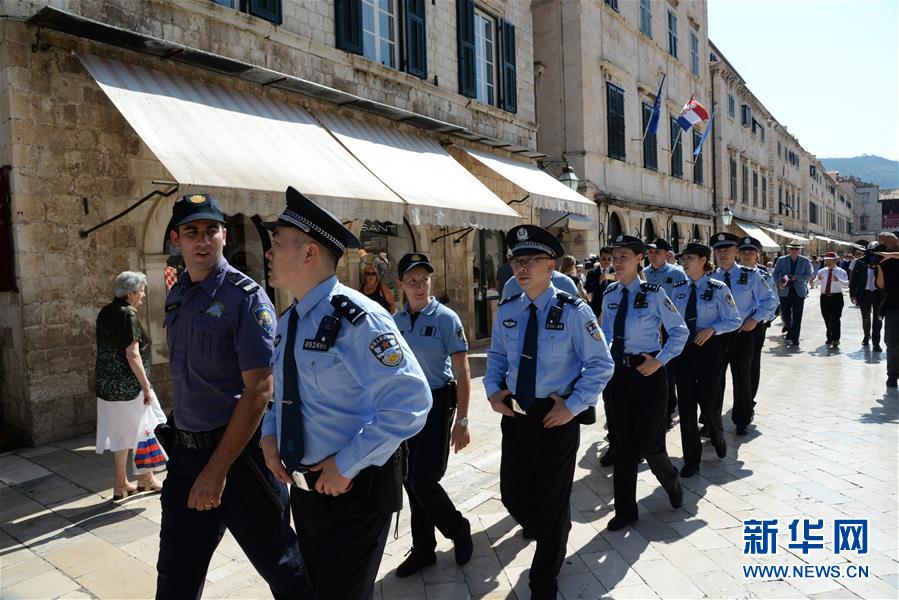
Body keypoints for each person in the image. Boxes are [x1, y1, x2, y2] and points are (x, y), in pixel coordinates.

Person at [260, 187, 431, 599]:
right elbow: (281, 393)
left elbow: (411, 402)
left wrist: (346, 464)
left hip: (353, 494)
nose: (267, 253)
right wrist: (269, 435)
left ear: (309, 253)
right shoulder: (289, 321)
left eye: (277, 243)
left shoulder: (358, 318)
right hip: (306, 496)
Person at [156, 194, 303, 599]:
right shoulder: (177, 295)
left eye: (211, 231)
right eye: (192, 232)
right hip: (186, 456)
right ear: (176, 239)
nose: (202, 241)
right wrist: (197, 465)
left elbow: (260, 386)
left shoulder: (245, 297)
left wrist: (217, 470)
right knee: (175, 574)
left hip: (238, 459)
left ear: (223, 235)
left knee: (283, 566)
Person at [484, 225, 613, 599]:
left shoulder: (574, 311)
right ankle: (553, 532)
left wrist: (572, 407)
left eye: (530, 261)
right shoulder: (509, 308)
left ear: (551, 265)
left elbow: (600, 365)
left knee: (553, 499)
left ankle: (544, 577)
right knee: (512, 493)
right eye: (516, 261)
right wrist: (493, 392)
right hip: (517, 415)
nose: (521, 268)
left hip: (556, 416)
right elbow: (495, 358)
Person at [392, 252, 474, 577]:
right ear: (400, 284)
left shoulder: (446, 319)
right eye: (411, 280)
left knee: (424, 480)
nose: (419, 285)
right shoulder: (394, 322)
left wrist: (463, 421)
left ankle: (458, 529)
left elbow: (463, 370)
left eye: (424, 278)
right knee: (411, 482)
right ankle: (424, 549)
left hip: (437, 404)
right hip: (404, 408)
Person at [600, 234, 687, 530]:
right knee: (622, 445)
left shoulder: (654, 293)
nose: (617, 262)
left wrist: (660, 360)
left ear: (639, 259)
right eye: (614, 256)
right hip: (618, 377)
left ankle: (672, 482)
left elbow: (679, 331)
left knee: (651, 446)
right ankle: (625, 510)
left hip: (648, 374)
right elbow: (604, 334)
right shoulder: (610, 294)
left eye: (624, 256)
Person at [669, 244, 742, 477]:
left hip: (708, 350)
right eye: (683, 258)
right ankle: (692, 459)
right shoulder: (677, 289)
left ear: (703, 260)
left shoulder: (718, 288)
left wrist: (712, 329)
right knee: (687, 407)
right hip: (683, 352)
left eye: (689, 258)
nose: (685, 262)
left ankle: (718, 435)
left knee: (710, 404)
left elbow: (734, 320)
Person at [94, 271, 165, 499]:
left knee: (121, 434)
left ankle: (122, 483)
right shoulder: (127, 315)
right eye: (142, 290)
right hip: (129, 386)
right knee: (150, 426)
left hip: (107, 386)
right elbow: (132, 354)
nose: (143, 295)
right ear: (131, 293)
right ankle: (145, 477)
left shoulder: (105, 312)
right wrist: (146, 386)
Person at [711, 232, 779, 436]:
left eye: (727, 250)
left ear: (735, 253)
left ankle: (741, 418)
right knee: (714, 379)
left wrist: (755, 319)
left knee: (742, 377)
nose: (723, 254)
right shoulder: (710, 278)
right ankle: (711, 419)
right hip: (717, 334)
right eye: (719, 250)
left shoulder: (751, 275)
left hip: (743, 333)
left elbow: (770, 301)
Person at [644, 238, 688, 429]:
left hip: (669, 327)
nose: (653, 256)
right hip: (650, 328)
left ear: (666, 255)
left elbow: (683, 300)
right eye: (651, 252)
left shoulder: (677, 273)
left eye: (657, 253)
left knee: (669, 369)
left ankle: (669, 408)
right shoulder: (643, 273)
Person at [738, 237, 777, 405]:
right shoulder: (727, 273)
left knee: (752, 364)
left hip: (754, 325)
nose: (747, 255)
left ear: (757, 255)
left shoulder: (763, 274)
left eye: (751, 252)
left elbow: (772, 300)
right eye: (744, 252)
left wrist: (758, 320)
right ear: (738, 254)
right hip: (728, 327)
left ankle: (749, 399)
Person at [773, 240, 814, 347]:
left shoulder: (805, 261)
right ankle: (790, 331)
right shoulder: (781, 260)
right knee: (785, 315)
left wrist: (798, 278)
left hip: (799, 292)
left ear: (800, 250)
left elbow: (809, 275)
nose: (794, 251)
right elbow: (775, 273)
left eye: (797, 249)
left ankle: (795, 338)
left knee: (797, 316)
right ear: (789, 249)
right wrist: (779, 282)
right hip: (784, 291)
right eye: (792, 248)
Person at [851, 242, 884, 351]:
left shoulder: (882, 261)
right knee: (865, 316)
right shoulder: (860, 262)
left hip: (878, 293)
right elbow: (854, 279)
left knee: (878, 319)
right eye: (870, 250)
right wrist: (852, 294)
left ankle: (876, 342)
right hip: (864, 293)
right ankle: (866, 336)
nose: (872, 253)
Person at [816, 252, 850, 348]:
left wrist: (838, 280)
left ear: (835, 260)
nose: (827, 262)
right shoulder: (822, 271)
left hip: (837, 297)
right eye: (826, 260)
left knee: (836, 318)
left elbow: (846, 284)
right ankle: (829, 336)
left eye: (830, 260)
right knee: (826, 318)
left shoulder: (841, 272)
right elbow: (817, 283)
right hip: (824, 297)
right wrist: (817, 279)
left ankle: (835, 339)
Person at [584, 246, 614, 318]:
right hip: (597, 307)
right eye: (604, 259)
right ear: (599, 258)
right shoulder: (592, 272)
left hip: (613, 306)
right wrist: (599, 281)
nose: (606, 261)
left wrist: (611, 277)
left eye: (609, 259)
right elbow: (588, 289)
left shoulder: (615, 272)